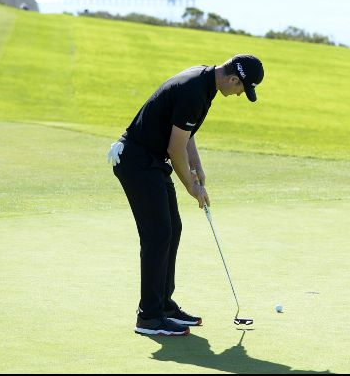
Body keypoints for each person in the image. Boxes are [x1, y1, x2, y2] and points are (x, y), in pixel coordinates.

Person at [107, 54, 265, 336]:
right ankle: (149, 317)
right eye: (242, 88)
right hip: (137, 161)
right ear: (233, 79)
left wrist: (197, 167)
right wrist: (192, 187)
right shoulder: (195, 91)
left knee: (172, 229)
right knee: (158, 234)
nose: (240, 94)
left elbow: (185, 134)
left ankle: (163, 305)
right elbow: (175, 148)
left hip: (151, 161)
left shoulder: (204, 82)